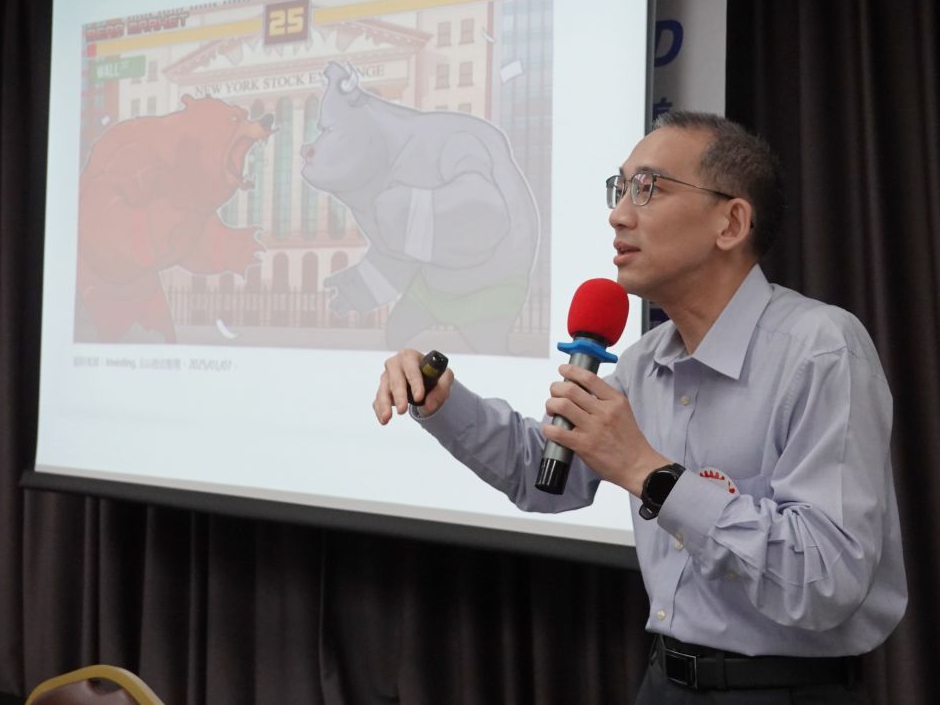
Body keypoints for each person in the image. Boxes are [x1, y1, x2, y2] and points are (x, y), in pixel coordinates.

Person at [372, 112, 907, 703]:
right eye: (620, 188)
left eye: (648, 188)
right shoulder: (644, 360)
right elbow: (544, 476)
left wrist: (650, 474)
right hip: (663, 683)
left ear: (731, 222)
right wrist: (443, 401)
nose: (619, 214)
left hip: (783, 690)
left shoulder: (820, 350)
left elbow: (828, 577)